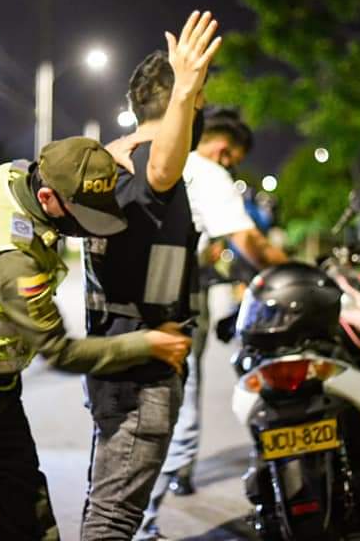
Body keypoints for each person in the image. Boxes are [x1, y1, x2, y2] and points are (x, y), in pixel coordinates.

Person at [0, 137, 192, 540]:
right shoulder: (15, 259)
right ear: (47, 198)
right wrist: (148, 343)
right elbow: (60, 351)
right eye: (80, 215)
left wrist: (101, 157)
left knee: (32, 527)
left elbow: (61, 157)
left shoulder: (14, 173)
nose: (83, 228)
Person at [79, 10, 221, 540]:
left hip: (116, 359)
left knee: (107, 504)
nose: (200, 110)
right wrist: (187, 87)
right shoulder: (151, 168)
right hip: (141, 373)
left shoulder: (112, 162)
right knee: (115, 519)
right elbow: (165, 170)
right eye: (197, 103)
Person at [137, 108, 288, 540]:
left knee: (130, 424)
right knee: (178, 417)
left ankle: (120, 524)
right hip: (176, 306)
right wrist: (299, 272)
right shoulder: (207, 171)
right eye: (234, 158)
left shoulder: (150, 158)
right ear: (224, 151)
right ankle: (143, 527)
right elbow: (251, 245)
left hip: (123, 311)